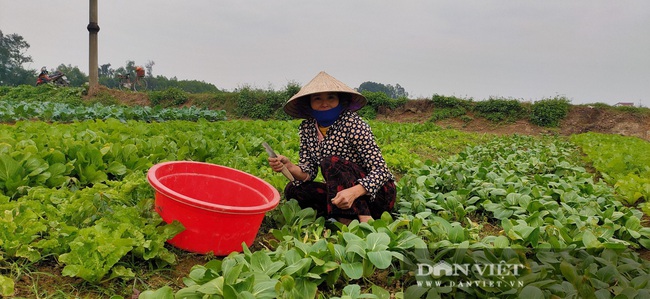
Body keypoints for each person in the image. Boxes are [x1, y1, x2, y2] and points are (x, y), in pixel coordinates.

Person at [268, 71, 396, 224]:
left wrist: (354, 192)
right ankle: (342, 211)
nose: (324, 103)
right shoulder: (307, 128)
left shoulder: (353, 123)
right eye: (317, 98)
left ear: (340, 101)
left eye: (330, 97)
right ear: (309, 103)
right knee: (294, 190)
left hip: (376, 195)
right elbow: (309, 172)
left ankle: (357, 219)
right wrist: (289, 166)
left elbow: (381, 171)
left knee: (331, 162)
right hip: (343, 195)